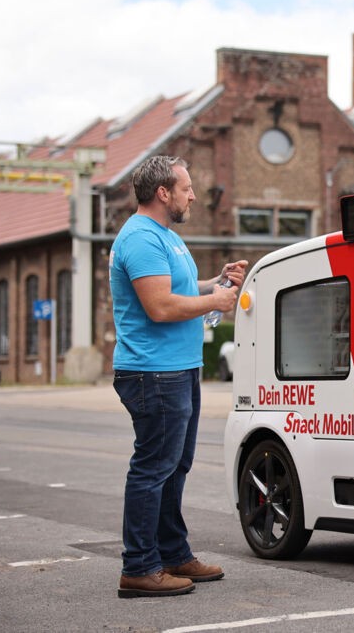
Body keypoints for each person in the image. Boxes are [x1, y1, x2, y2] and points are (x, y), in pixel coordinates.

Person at [109, 155, 246, 598]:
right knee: (153, 468)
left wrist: (216, 283)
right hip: (154, 373)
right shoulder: (142, 239)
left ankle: (172, 553)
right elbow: (161, 306)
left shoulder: (165, 237)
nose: (192, 195)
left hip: (178, 370)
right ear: (163, 193)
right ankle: (140, 566)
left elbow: (181, 291)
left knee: (174, 466)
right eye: (186, 188)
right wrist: (217, 303)